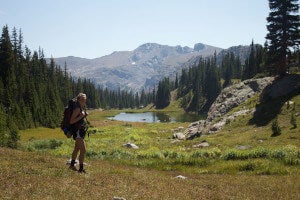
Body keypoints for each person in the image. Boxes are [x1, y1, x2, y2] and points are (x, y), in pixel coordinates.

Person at [69, 93, 88, 173]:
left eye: (85, 100)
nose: (84, 101)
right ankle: (80, 169)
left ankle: (72, 165)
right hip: (78, 132)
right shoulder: (77, 109)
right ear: (78, 100)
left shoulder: (80, 108)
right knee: (83, 150)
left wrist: (84, 115)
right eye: (82, 100)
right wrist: (81, 116)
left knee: (77, 148)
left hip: (80, 131)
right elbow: (71, 121)